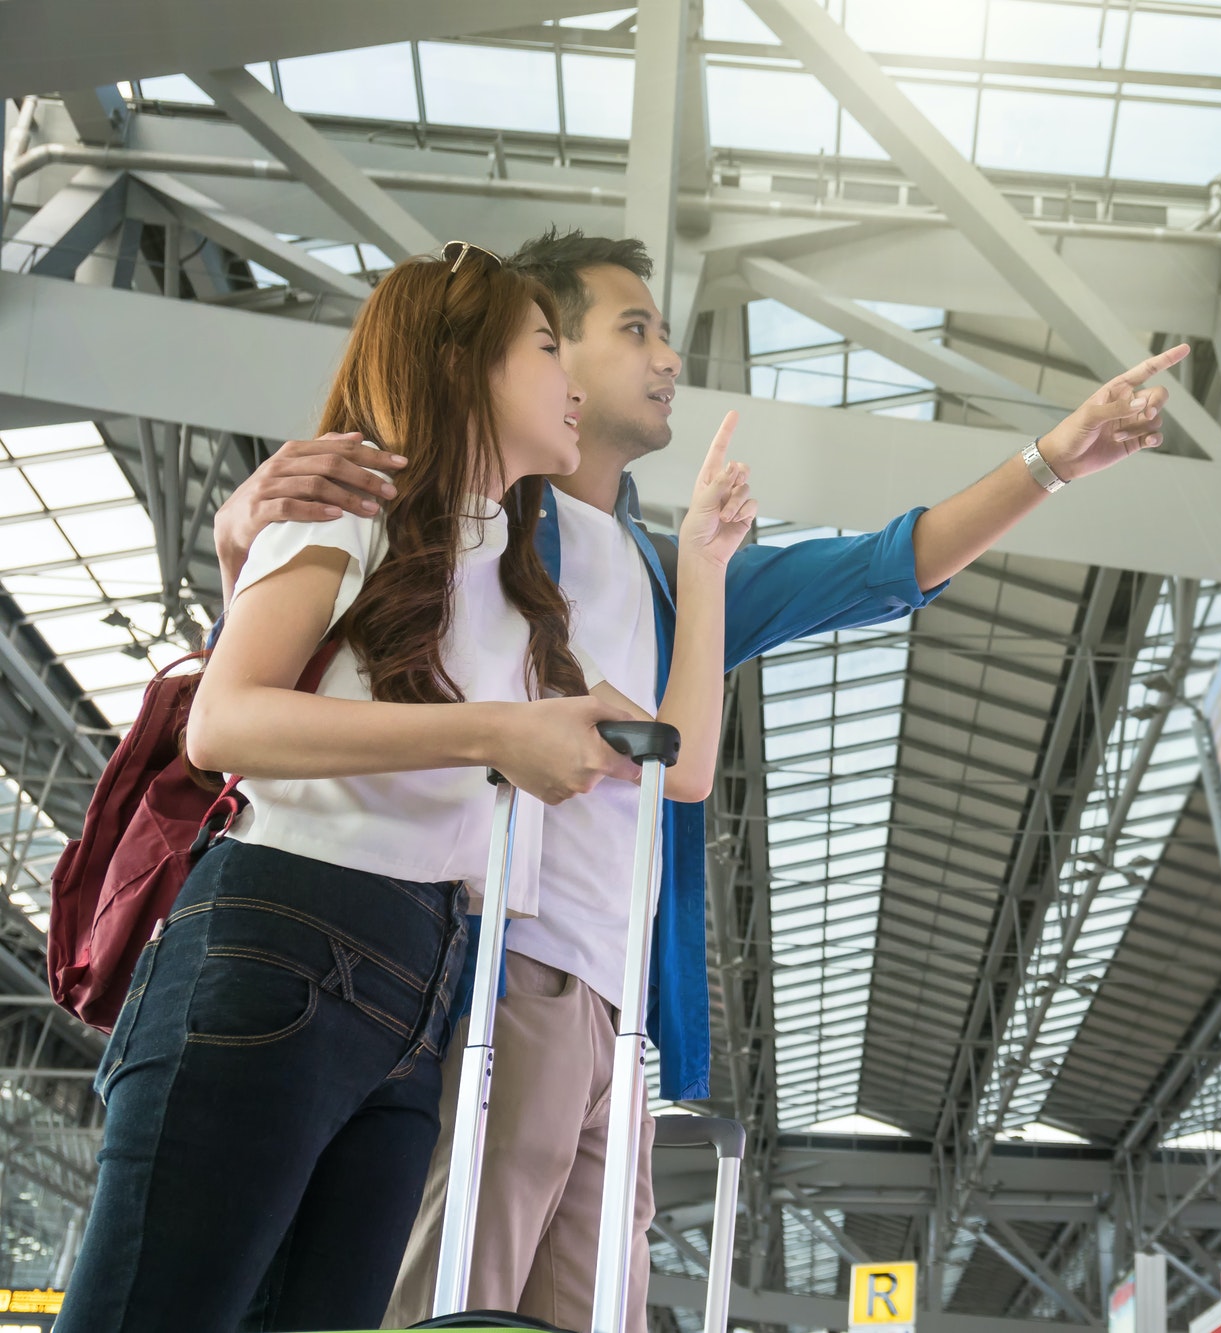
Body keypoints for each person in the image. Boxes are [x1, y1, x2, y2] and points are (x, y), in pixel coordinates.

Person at [212, 227, 1188, 1331]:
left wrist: (1050, 460)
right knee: (445, 1299)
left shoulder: (665, 577)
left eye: (667, 332)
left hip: (616, 1005)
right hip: (490, 965)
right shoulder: (467, 523)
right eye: (633, 330)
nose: (668, 357)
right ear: (538, 353)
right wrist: (241, 541)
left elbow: (876, 570)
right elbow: (305, 659)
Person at [57, 242, 754, 1333]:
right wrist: (493, 729)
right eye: (541, 349)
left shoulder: (523, 595)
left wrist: (704, 565)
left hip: (420, 999)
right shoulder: (350, 498)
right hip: (280, 929)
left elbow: (680, 759)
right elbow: (224, 721)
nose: (571, 380)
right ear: (459, 360)